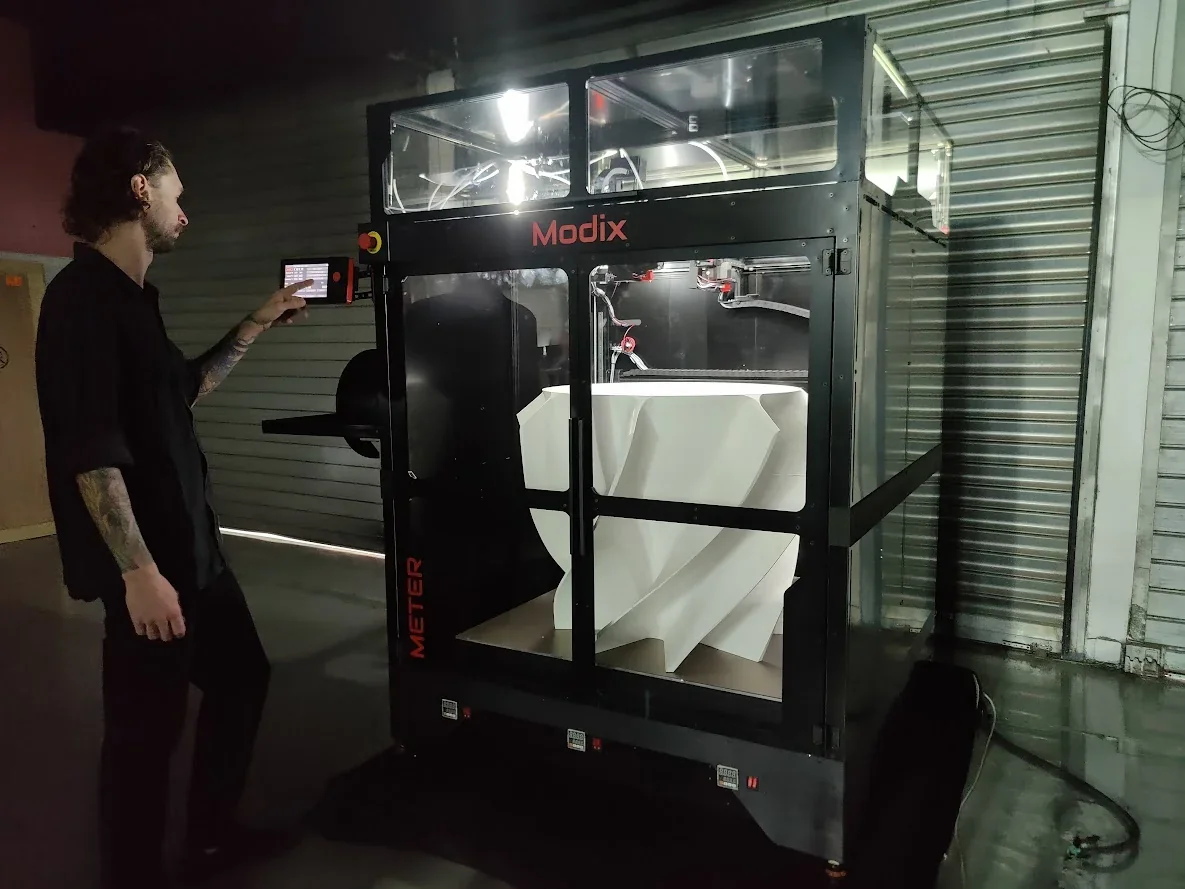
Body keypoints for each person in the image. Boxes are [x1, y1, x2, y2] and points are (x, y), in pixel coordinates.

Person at [34, 127, 311, 889]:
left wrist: (255, 323)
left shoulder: (135, 301)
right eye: (176, 193)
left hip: (195, 555)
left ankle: (210, 839)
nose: (184, 212)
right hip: (153, 571)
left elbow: (179, 391)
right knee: (141, 738)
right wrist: (139, 573)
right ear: (138, 189)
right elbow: (90, 451)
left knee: (241, 675)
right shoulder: (80, 301)